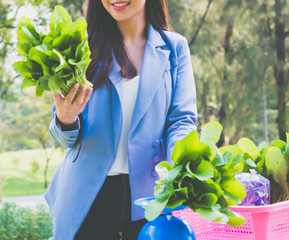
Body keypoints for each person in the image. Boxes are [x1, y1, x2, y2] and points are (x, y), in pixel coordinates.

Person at [45, 0, 197, 239]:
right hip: (88, 196)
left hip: (150, 195)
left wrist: (182, 161)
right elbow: (64, 137)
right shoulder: (81, 47)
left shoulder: (174, 48)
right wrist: (66, 119)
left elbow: (182, 120)